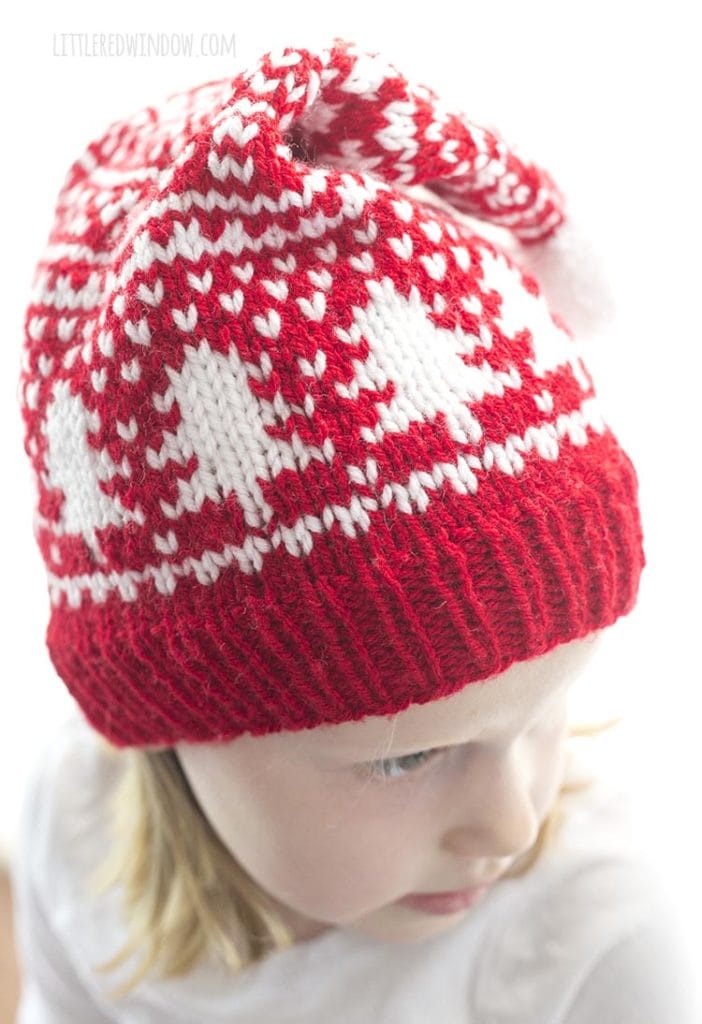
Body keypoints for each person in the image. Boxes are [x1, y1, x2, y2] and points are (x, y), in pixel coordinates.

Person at [10, 35, 698, 1023]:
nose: (512, 820)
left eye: (549, 705)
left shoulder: (601, 942)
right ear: (170, 719)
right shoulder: (72, 827)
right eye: (406, 757)